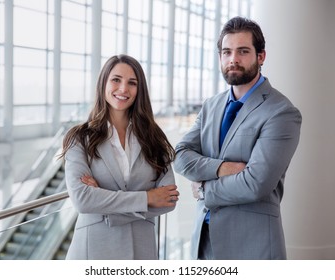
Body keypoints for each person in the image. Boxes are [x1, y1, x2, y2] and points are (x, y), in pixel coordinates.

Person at [173, 16, 302, 260]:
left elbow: (256, 184)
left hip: (252, 246)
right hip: (204, 243)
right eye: (227, 52)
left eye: (243, 51)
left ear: (261, 56)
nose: (233, 59)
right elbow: (180, 155)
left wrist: (203, 189)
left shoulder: (281, 112)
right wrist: (222, 168)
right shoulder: (211, 106)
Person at [60, 54, 179, 260]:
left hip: (141, 251)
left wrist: (103, 199)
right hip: (93, 251)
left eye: (132, 83)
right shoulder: (79, 138)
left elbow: (168, 200)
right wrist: (147, 198)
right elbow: (82, 199)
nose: (123, 89)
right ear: (103, 83)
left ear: (139, 90)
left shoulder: (154, 138)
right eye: (116, 80)